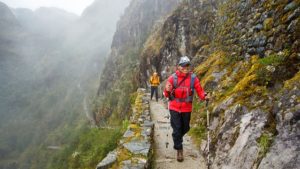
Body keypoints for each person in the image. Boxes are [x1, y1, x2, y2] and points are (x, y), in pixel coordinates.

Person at [163, 56, 208, 162]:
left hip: (187, 108)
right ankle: (179, 150)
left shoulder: (193, 78)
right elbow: (166, 94)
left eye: (187, 65)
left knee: (186, 128)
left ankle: (177, 137)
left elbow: (200, 91)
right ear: (179, 66)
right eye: (183, 65)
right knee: (177, 129)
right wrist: (167, 89)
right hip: (174, 107)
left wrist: (205, 96)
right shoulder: (172, 78)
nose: (185, 67)